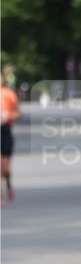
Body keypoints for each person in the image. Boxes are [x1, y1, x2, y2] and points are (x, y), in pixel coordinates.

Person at [1, 69, 22, 202]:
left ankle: (9, 185)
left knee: (5, 168)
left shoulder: (9, 94)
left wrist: (9, 116)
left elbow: (18, 113)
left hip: (5, 131)